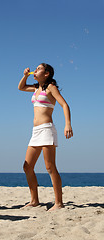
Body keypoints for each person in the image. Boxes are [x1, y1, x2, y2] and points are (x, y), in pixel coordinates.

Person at [18, 63, 73, 211]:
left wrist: (67, 124)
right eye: (35, 69)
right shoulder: (36, 88)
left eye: (38, 69)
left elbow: (65, 105)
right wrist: (24, 76)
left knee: (50, 167)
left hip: (47, 129)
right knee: (27, 166)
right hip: (35, 132)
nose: (35, 71)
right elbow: (21, 87)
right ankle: (34, 200)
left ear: (47, 73)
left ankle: (59, 203)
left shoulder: (50, 88)